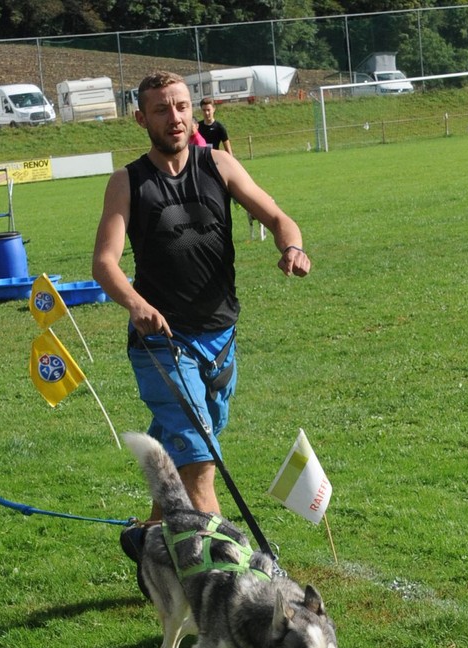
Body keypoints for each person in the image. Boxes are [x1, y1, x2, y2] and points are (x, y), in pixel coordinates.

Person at [91, 71, 311, 555]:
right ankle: (229, 568)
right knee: (200, 460)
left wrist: (291, 245)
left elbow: (276, 215)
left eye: (182, 106)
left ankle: (147, 536)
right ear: (140, 118)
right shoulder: (127, 182)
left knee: (178, 445)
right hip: (162, 343)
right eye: (162, 109)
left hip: (221, 337)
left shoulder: (218, 165)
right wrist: (137, 304)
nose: (175, 118)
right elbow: (104, 263)